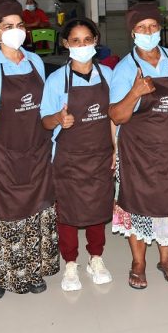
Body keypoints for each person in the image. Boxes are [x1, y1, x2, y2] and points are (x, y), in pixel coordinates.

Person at [0, 0, 59, 298]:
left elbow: (43, 107)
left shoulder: (34, 61)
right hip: (0, 152)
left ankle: (33, 272)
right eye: (8, 26)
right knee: (7, 213)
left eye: (19, 25)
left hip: (35, 147)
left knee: (37, 210)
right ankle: (5, 274)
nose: (16, 31)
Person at [109, 3, 168, 290]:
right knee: (137, 205)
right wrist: (135, 92)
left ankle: (165, 259)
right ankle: (138, 263)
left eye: (153, 27)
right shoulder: (125, 68)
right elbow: (117, 115)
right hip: (138, 152)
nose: (148, 32)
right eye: (142, 28)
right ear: (133, 33)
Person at [41, 18, 116, 292]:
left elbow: (114, 119)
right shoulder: (56, 80)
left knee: (97, 209)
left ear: (96, 41)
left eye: (87, 40)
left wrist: (116, 149)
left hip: (100, 155)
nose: (82, 46)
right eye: (76, 41)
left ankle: (96, 258)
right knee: (68, 212)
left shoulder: (108, 76)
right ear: (66, 45)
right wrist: (58, 119)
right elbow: (44, 121)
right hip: (69, 158)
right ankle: (70, 263)